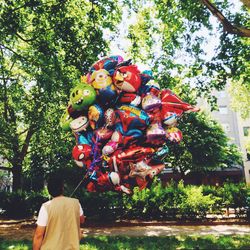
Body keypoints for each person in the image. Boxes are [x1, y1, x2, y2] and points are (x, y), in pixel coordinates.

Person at [33, 175, 85, 250]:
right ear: (62, 188)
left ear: (49, 190)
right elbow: (82, 220)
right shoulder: (76, 203)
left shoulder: (46, 207)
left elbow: (39, 235)